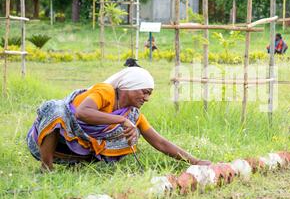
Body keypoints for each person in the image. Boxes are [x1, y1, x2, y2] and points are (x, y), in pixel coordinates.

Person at [27, 66, 211, 172]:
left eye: (149, 94)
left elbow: (160, 142)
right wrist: (121, 121)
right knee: (55, 110)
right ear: (129, 88)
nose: (146, 98)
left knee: (128, 136)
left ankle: (80, 164)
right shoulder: (105, 91)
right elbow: (82, 113)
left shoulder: (132, 114)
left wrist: (194, 161)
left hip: (80, 148)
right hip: (53, 138)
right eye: (144, 92)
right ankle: (46, 167)